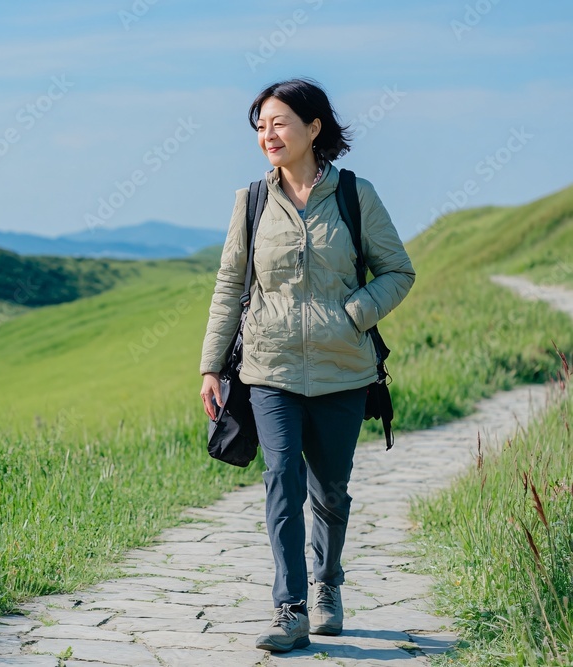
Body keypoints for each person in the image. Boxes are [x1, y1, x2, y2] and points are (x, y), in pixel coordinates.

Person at [198, 78, 415, 653]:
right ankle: (290, 607)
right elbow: (228, 286)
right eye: (260, 126)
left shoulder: (355, 196)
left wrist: (356, 312)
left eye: (279, 123)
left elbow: (399, 271)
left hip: (344, 366)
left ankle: (328, 586)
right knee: (281, 480)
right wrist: (211, 366)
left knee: (330, 489)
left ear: (313, 128)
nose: (268, 135)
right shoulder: (251, 201)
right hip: (268, 367)